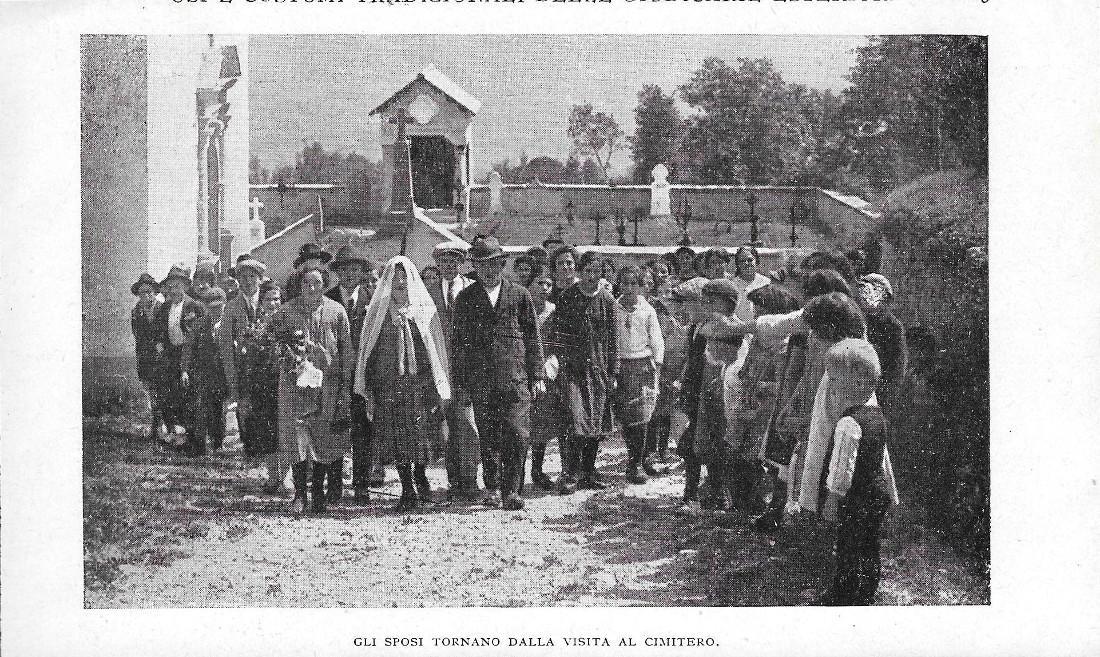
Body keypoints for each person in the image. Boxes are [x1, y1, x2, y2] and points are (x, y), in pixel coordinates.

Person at [453, 237, 545, 510]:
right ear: (475, 267)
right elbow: (459, 344)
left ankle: (512, 490)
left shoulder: (519, 294)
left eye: (493, 264)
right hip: (481, 381)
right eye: (482, 265)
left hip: (515, 379)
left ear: (502, 264)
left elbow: (532, 336)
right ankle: (493, 487)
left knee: (517, 433)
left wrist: (537, 374)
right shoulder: (466, 299)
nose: (488, 270)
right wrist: (461, 383)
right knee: (489, 435)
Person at [355, 257, 452, 511]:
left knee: (421, 435)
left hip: (420, 385)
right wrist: (371, 386)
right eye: (395, 277)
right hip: (390, 386)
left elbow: (435, 349)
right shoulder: (377, 313)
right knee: (397, 438)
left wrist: (436, 383)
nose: (400, 282)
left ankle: (420, 476)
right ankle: (407, 488)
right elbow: (369, 350)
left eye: (404, 277)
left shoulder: (424, 310)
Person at [270, 267, 353, 514]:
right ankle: (299, 494)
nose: (312, 287)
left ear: (324, 284)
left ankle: (317, 492)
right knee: (296, 438)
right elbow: (272, 345)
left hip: (326, 385)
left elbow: (346, 351)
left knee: (322, 438)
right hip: (294, 386)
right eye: (307, 283)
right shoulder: (285, 311)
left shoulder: (336, 311)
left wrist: (344, 385)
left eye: (317, 282)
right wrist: (288, 356)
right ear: (300, 285)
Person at [819, 339, 894, 605]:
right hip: (876, 493)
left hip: (855, 498)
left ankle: (843, 593)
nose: (831, 388)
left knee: (848, 546)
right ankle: (867, 590)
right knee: (869, 543)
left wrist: (832, 499)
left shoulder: (849, 423)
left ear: (860, 383)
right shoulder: (877, 416)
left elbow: (843, 468)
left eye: (835, 380)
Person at [727, 284, 801, 515]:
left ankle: (757, 506)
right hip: (749, 405)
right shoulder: (757, 341)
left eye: (761, 310)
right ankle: (743, 505)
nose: (756, 314)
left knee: (759, 458)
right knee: (737, 454)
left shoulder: (784, 347)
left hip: (767, 411)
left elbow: (782, 384)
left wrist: (760, 387)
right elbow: (746, 371)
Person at [549, 251, 618, 493]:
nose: (591, 276)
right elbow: (559, 335)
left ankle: (589, 472)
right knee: (576, 421)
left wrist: (613, 371)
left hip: (598, 370)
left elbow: (613, 338)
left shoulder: (607, 300)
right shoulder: (568, 297)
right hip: (573, 370)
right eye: (587, 271)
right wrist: (561, 364)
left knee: (595, 422)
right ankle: (571, 474)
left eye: (596, 271)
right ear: (580, 271)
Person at [425, 241, 481, 502]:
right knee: (446, 425)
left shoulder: (472, 289)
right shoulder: (427, 293)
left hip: (467, 368)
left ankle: (470, 479)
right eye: (443, 261)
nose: (448, 266)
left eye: (453, 261)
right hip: (439, 367)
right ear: (437, 263)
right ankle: (454, 479)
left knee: (468, 423)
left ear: (461, 263)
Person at [219, 259, 279, 482]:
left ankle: (271, 460)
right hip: (245, 370)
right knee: (247, 412)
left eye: (252, 276)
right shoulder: (232, 307)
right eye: (243, 277)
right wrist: (232, 380)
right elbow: (226, 345)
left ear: (260, 279)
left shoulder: (270, 301)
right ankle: (253, 452)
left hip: (270, 370)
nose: (247, 281)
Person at [326, 244, 375, 504]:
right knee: (335, 429)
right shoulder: (327, 298)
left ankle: (362, 485)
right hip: (335, 376)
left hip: (363, 375)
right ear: (338, 272)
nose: (349, 275)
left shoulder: (373, 298)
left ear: (361, 272)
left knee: (363, 431)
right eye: (344, 270)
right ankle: (334, 486)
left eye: (354, 270)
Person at [614, 265, 664, 484]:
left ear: (640, 285)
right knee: (626, 417)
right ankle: (633, 458)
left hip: (643, 366)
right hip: (621, 366)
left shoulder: (647, 310)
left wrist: (657, 367)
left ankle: (637, 462)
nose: (629, 288)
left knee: (643, 415)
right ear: (619, 285)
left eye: (633, 283)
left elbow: (657, 340)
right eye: (625, 283)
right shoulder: (614, 308)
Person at [239, 281, 285, 493]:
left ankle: (286, 477)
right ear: (261, 302)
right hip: (262, 388)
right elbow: (247, 364)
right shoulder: (254, 329)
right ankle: (273, 477)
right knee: (267, 433)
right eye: (268, 299)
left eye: (276, 299)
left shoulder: (289, 325)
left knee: (286, 432)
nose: (273, 303)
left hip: (284, 386)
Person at [153, 264, 204, 449]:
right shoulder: (165, 307)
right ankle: (176, 434)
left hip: (190, 356)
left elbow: (201, 334)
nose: (174, 290)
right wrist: (160, 346)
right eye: (171, 287)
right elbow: (159, 331)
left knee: (190, 396)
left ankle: (194, 438)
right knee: (172, 395)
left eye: (177, 286)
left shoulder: (194, 306)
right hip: (171, 355)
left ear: (185, 286)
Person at [182, 286, 228, 456]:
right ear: (206, 307)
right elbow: (188, 348)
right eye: (212, 308)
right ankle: (200, 445)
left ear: (224, 305)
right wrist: (184, 370)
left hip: (223, 374)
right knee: (201, 408)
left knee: (219, 409)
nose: (216, 311)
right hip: (203, 374)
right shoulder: (199, 325)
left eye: (219, 307)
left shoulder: (231, 324)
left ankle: (218, 442)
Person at [855, 274, 908, 418]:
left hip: (880, 392)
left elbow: (897, 366)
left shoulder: (893, 327)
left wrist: (886, 393)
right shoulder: (858, 321)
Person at [527, 273, 559, 490]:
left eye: (549, 284)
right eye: (540, 283)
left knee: (542, 423)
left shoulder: (554, 311)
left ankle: (537, 470)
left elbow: (558, 344)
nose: (545, 287)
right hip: (523, 370)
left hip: (547, 373)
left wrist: (548, 368)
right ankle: (514, 474)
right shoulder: (522, 307)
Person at [131, 273, 164, 439]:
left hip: (162, 356)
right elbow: (138, 334)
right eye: (142, 292)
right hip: (145, 357)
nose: (146, 295)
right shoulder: (136, 312)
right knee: (151, 391)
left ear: (155, 292)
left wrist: (160, 345)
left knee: (162, 390)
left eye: (149, 292)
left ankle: (163, 425)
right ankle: (155, 425)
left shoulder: (162, 308)